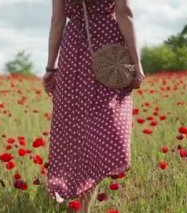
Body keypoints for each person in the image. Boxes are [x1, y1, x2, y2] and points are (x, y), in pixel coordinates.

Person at [43, 0, 145, 212]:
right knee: (105, 127)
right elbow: (124, 12)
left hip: (73, 51)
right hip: (108, 53)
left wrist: (51, 66)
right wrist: (137, 63)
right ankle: (82, 205)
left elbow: (57, 21)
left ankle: (79, 200)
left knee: (77, 129)